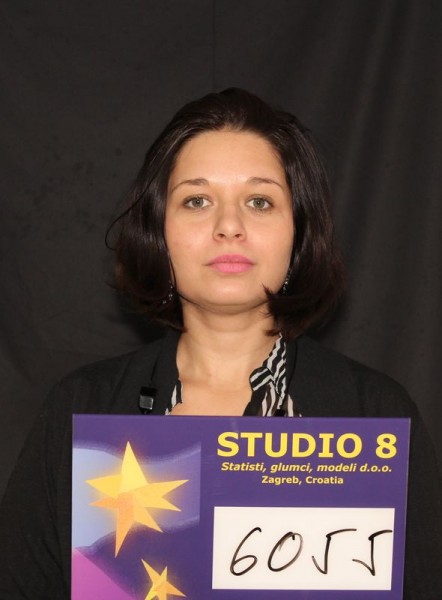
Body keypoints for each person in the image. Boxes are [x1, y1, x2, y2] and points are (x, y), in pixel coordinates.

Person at [0, 88, 441, 598]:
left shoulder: (376, 416)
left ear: (297, 234)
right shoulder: (79, 410)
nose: (229, 226)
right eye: (197, 201)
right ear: (159, 232)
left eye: (259, 201)